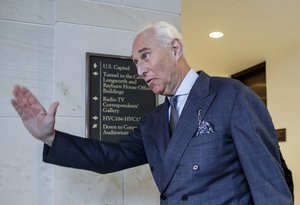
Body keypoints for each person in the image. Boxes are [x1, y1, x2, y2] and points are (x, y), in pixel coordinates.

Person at [11, 21, 293, 204]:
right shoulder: (153, 123)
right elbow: (110, 157)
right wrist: (49, 137)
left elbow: (270, 185)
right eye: (135, 62)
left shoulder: (231, 95)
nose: (139, 70)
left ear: (175, 48)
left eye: (145, 56)